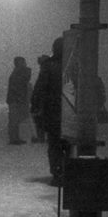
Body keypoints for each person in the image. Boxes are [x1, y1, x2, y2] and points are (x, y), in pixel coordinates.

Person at [31, 38, 66, 186]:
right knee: (68, 143)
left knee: (54, 143)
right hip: (70, 111)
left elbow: (40, 88)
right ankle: (69, 170)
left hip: (53, 111)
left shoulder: (49, 66)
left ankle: (58, 173)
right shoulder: (73, 64)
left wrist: (35, 105)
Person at [6, 56, 32, 144]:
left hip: (14, 99)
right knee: (15, 120)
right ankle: (14, 138)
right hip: (16, 99)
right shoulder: (19, 73)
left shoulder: (16, 73)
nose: (25, 64)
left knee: (15, 120)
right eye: (24, 62)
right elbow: (24, 81)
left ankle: (15, 138)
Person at [31, 55, 49, 142]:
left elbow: (40, 87)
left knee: (40, 119)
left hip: (42, 99)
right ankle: (46, 137)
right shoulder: (47, 72)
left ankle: (41, 137)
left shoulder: (44, 73)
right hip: (46, 99)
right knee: (44, 119)